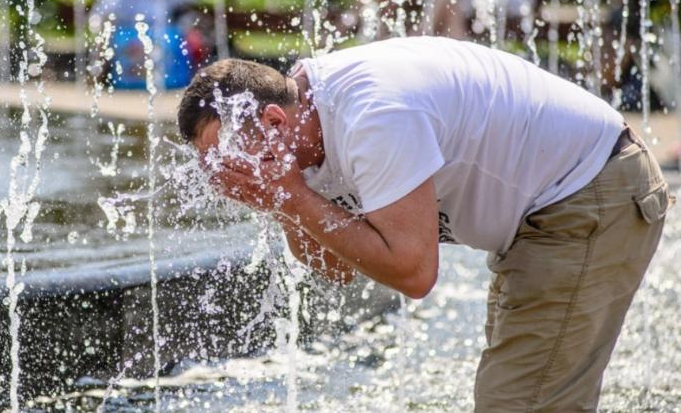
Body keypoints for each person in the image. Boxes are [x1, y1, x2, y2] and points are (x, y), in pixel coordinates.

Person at [177, 36, 675, 411]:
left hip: (589, 193)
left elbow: (414, 273)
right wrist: (284, 201)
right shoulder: (304, 128)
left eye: (224, 152)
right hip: (549, 209)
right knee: (524, 392)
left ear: (274, 122)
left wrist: (290, 196)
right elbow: (334, 267)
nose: (223, 172)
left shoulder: (370, 117)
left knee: (520, 402)